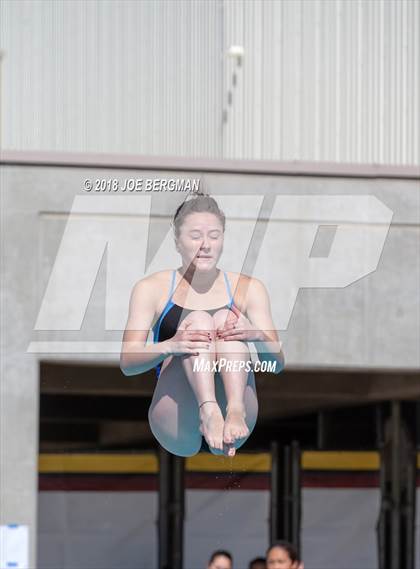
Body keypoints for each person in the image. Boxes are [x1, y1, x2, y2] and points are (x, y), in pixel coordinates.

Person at [120, 193, 284, 457]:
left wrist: (255, 334)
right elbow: (127, 363)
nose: (205, 245)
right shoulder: (151, 288)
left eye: (214, 236)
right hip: (178, 419)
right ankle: (208, 410)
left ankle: (233, 408)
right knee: (198, 320)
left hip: (237, 418)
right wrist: (171, 346)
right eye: (195, 236)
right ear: (177, 241)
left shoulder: (249, 288)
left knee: (223, 321)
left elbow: (276, 364)